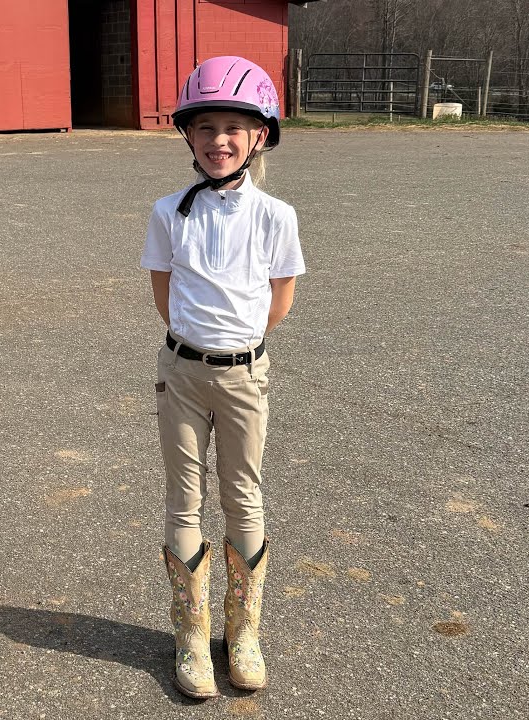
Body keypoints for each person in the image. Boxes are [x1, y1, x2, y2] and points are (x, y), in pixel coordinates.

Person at [140, 56, 305, 699]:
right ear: (188, 135)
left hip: (244, 376)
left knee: (244, 498)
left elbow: (279, 298)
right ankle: (191, 642)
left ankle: (243, 636)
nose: (219, 140)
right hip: (182, 372)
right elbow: (165, 292)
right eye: (205, 126)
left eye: (235, 126)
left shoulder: (275, 216)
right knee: (184, 498)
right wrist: (196, 345)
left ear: (259, 135)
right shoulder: (168, 212)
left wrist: (238, 347)